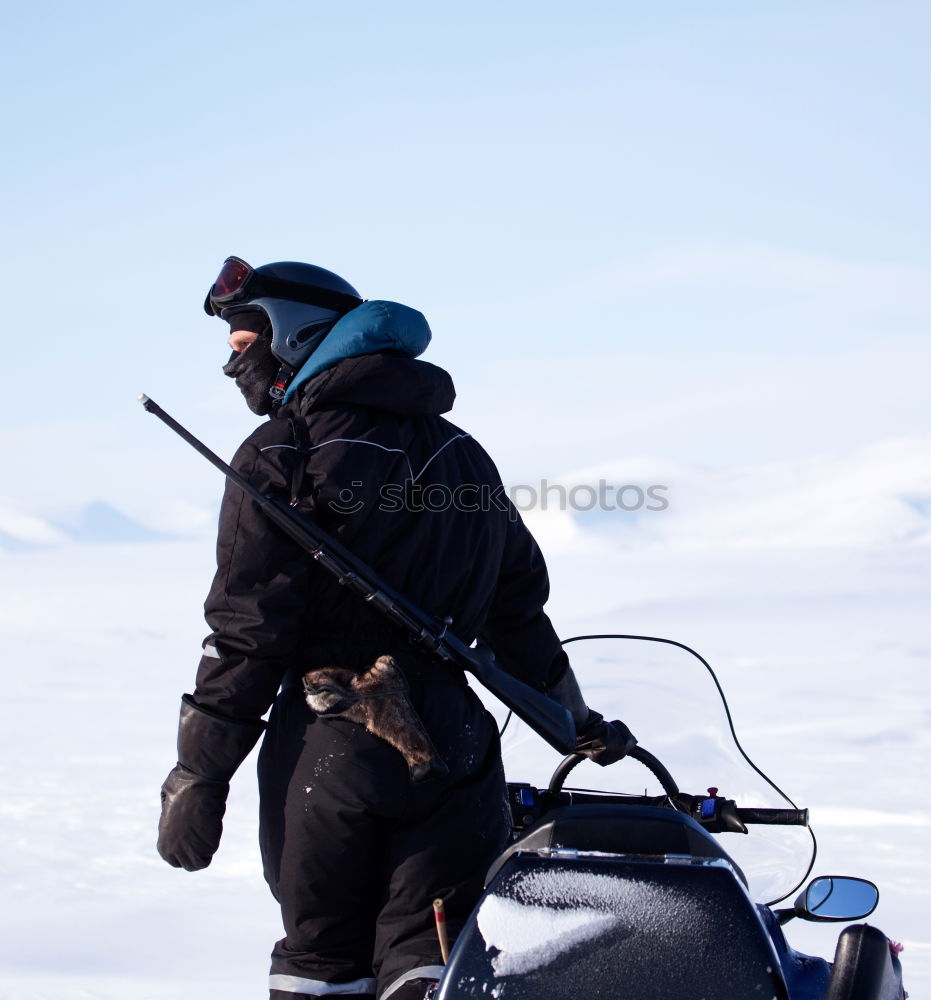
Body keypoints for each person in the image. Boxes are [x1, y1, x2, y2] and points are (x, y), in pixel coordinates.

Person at [156, 257, 636, 1000]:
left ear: (294, 336)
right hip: (456, 748)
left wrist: (197, 773)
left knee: (321, 965)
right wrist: (575, 723)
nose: (230, 364)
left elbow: (248, 633)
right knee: (432, 966)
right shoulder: (463, 454)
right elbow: (519, 615)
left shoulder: (283, 451)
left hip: (330, 743)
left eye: (244, 340)